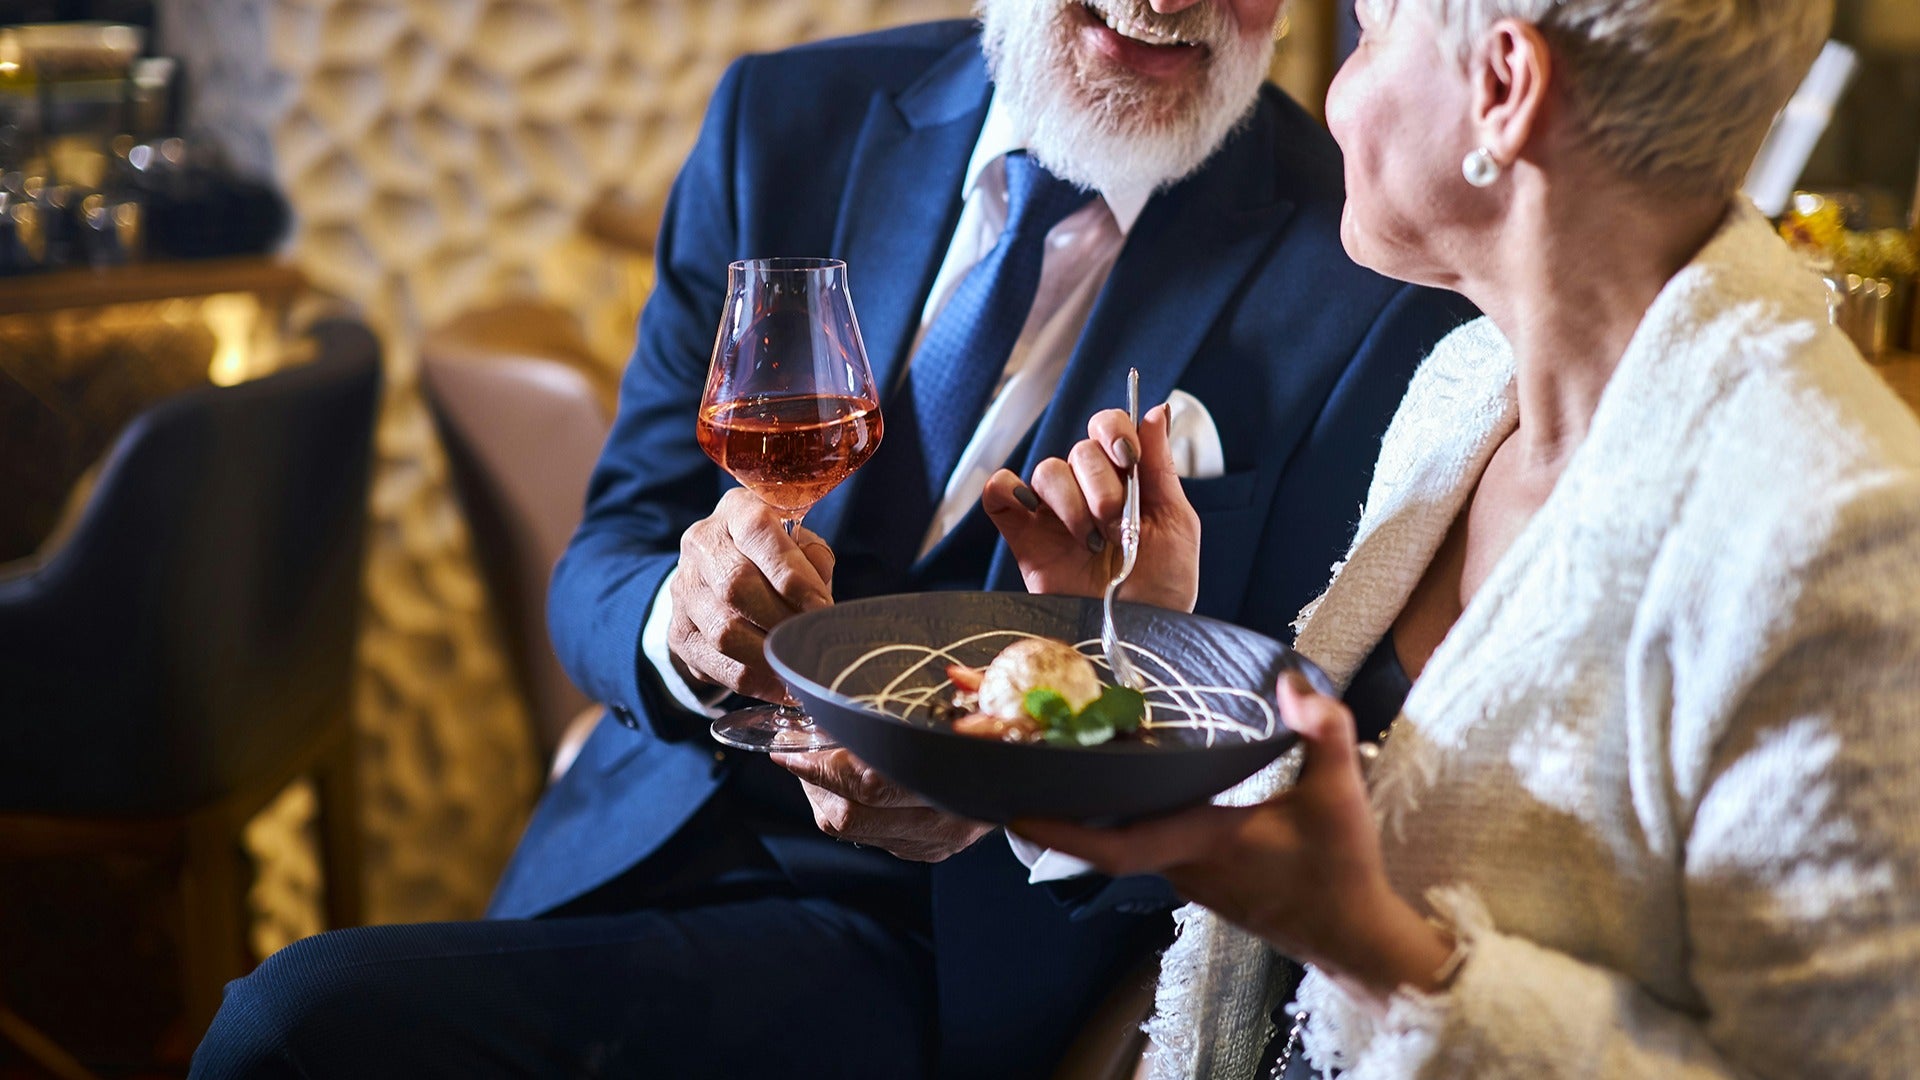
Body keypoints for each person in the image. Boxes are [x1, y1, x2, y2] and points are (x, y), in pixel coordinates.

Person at [191, 1, 1474, 1077]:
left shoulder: (1366, 275)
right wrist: (679, 624)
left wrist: (1032, 793)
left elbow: (1288, 758)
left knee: (293, 1026)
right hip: (642, 829)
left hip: (938, 949)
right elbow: (608, 550)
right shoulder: (785, 119)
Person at [986, 0, 1920, 1076]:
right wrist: (1145, 652)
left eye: (1374, 31)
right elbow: (1307, 870)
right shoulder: (1469, 385)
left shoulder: (1837, 538)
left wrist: (1383, 958)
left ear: (1504, 89)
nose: (1332, 94)